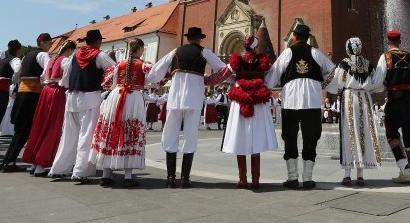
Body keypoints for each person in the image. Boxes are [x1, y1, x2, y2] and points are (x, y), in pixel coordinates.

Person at [146, 26, 227, 189]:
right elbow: (223, 69)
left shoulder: (175, 51)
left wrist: (150, 79)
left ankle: (170, 178)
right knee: (190, 135)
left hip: (175, 97)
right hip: (194, 97)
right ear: (199, 38)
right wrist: (209, 80)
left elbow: (156, 71)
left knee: (170, 133)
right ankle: (184, 178)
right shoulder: (204, 52)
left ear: (188, 38)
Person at [264, 23, 335, 189]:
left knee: (289, 138)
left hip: (291, 102)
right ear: (308, 38)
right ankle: (308, 178)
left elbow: (273, 75)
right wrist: (323, 83)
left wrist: (264, 86)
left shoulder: (287, 53)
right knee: (311, 138)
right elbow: (333, 71)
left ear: (294, 37)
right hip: (312, 101)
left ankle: (292, 177)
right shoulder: (316, 53)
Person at [49, 29, 116, 183]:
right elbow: (115, 69)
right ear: (99, 41)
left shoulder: (74, 56)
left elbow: (65, 79)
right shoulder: (100, 55)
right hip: (90, 97)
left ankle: (58, 168)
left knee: (68, 135)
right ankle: (80, 171)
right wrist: (109, 87)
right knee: (86, 136)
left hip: (72, 96)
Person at [90, 38, 152, 188]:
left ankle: (106, 174)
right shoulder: (144, 65)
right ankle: (128, 176)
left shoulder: (118, 64)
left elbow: (106, 82)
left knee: (112, 131)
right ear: (140, 49)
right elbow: (156, 79)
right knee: (130, 132)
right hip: (134, 98)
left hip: (116, 96)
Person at [221, 31, 277, 189]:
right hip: (258, 100)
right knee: (256, 138)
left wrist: (237, 80)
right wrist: (264, 85)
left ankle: (242, 179)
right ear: (256, 46)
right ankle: (256, 180)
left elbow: (224, 75)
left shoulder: (236, 60)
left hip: (241, 98)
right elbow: (271, 74)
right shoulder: (263, 61)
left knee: (240, 137)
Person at [371, 29, 410, 184]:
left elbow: (378, 81)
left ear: (388, 42)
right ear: (400, 41)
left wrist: (375, 88)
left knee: (391, 132)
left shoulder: (386, 57)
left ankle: (404, 168)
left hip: (395, 99)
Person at [325, 37, 381, 187]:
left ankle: (347, 175)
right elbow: (377, 82)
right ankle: (360, 175)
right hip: (365, 98)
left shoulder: (344, 63)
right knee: (363, 133)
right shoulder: (368, 63)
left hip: (349, 97)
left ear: (348, 48)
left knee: (349, 133)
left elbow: (335, 82)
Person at [0, 33, 53, 172]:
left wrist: (16, 82)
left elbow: (17, 75)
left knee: (19, 130)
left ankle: (7, 161)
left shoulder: (26, 56)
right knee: (25, 130)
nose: (50, 45)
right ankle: (9, 162)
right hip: (32, 94)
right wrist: (43, 82)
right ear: (43, 43)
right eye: (49, 43)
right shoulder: (43, 55)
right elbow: (48, 70)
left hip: (22, 93)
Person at [22, 40, 76, 176]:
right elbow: (67, 79)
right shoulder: (66, 60)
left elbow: (43, 76)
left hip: (45, 91)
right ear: (69, 51)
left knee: (40, 125)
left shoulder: (51, 60)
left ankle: (34, 162)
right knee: (53, 127)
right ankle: (41, 163)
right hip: (57, 92)